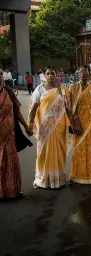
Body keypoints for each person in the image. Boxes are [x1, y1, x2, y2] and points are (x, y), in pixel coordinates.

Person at [28, 66, 76, 189]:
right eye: (48, 73)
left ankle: (58, 179)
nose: (50, 76)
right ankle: (42, 179)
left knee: (59, 151)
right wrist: (29, 124)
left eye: (52, 73)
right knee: (43, 152)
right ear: (44, 75)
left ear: (57, 75)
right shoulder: (39, 90)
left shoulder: (62, 90)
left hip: (59, 126)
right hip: (44, 128)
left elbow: (69, 108)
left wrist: (72, 122)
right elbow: (33, 108)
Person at [0, 69, 31, 198]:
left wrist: (26, 126)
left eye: (0, 74)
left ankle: (13, 191)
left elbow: (17, 111)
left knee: (10, 162)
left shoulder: (9, 92)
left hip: (9, 134)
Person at [69, 66, 91, 185]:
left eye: (86, 72)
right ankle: (77, 175)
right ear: (78, 73)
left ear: (89, 74)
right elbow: (70, 106)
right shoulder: (73, 88)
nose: (83, 74)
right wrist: (75, 122)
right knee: (79, 149)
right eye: (81, 72)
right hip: (79, 124)